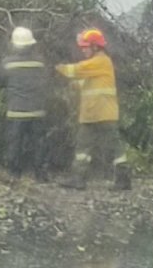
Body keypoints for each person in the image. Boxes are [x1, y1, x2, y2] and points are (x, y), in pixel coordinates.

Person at [55, 28, 129, 190]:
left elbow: (77, 70)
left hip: (104, 114)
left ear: (95, 46)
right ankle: (78, 179)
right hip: (91, 114)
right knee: (83, 148)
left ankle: (123, 179)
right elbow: (85, 83)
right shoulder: (96, 66)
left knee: (114, 147)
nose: (83, 50)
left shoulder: (101, 61)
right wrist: (74, 85)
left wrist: (58, 67)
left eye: (85, 47)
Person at [0, 27, 49, 181]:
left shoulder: (7, 63)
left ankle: (14, 173)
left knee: (15, 143)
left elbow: (0, 82)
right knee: (39, 143)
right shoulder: (40, 62)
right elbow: (46, 80)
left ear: (14, 45)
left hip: (16, 111)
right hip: (37, 110)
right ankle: (40, 174)